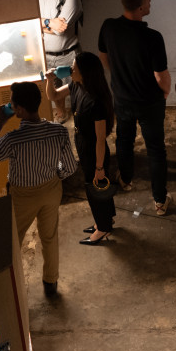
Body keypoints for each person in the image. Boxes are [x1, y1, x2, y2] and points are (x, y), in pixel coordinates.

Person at [0, 81, 77, 298]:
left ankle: (9, 285)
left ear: (20, 110)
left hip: (22, 196)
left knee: (13, 240)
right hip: (52, 190)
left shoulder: (13, 139)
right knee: (49, 237)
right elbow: (70, 167)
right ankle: (50, 282)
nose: (11, 106)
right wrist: (56, 174)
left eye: (13, 104)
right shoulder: (58, 131)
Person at [98, 0, 172, 215]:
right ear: (140, 7)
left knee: (124, 139)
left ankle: (126, 179)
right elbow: (160, 75)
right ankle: (160, 201)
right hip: (150, 102)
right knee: (156, 150)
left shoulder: (108, 27)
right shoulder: (153, 38)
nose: (150, 3)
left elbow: (103, 56)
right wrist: (165, 92)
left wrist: (118, 77)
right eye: (148, 0)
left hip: (122, 98)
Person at [44, 51, 117, 245]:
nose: (71, 70)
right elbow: (53, 96)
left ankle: (102, 229)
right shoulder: (77, 85)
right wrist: (50, 81)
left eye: (74, 68)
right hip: (83, 142)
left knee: (94, 187)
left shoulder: (96, 101)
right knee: (99, 186)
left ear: (85, 72)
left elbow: (100, 139)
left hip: (94, 149)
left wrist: (99, 167)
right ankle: (106, 220)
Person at [36, 0, 82, 72]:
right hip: (43, 58)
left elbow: (59, 30)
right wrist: (49, 22)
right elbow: (25, 23)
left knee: (72, 85)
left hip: (67, 58)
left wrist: (37, 26)